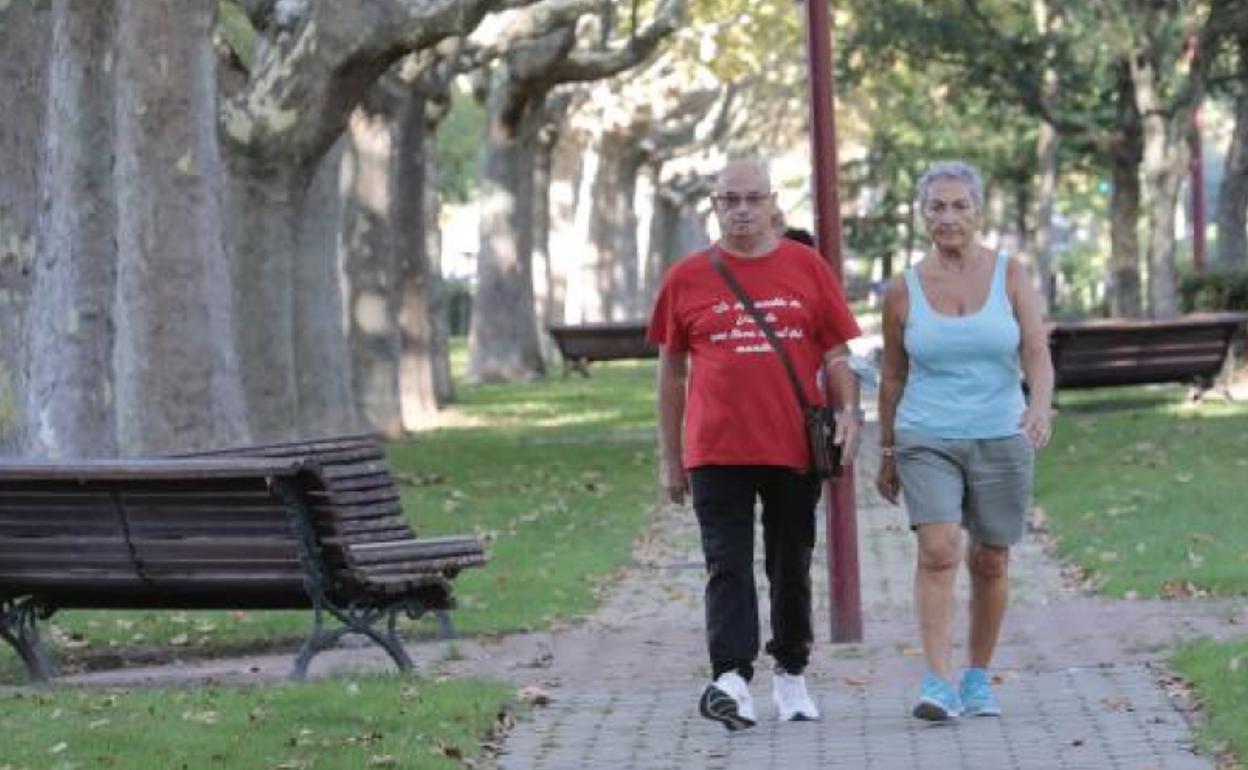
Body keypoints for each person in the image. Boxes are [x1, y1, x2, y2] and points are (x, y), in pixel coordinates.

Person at [647, 158, 863, 731]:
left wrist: (849, 411)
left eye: (752, 198)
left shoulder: (806, 267)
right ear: (715, 207)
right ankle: (731, 679)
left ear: (772, 204)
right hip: (715, 448)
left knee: (790, 563)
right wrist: (670, 456)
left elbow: (837, 352)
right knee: (727, 565)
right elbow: (670, 373)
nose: (741, 209)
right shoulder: (686, 278)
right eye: (729, 199)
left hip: (793, 444)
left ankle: (790, 672)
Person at [875, 161, 1054, 721]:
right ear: (923, 214)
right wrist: (886, 451)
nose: (948, 217)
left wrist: (1040, 405)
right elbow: (893, 377)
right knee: (938, 549)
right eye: (937, 207)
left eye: (959, 206)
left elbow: (1034, 352)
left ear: (978, 212)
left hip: (1001, 432)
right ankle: (936, 681)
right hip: (926, 433)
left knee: (992, 559)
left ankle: (977, 676)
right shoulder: (903, 290)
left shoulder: (1011, 275)